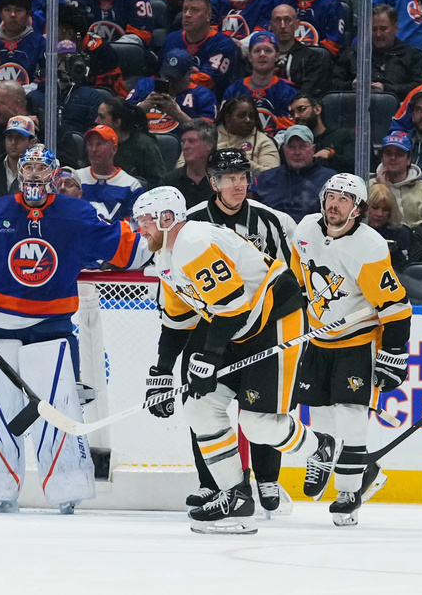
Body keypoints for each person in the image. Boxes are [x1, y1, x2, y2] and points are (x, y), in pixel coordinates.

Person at [0, 143, 138, 514]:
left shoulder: (76, 214)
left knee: (59, 409)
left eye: (40, 168)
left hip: (52, 329)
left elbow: (125, 248)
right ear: (20, 172)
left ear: (55, 174)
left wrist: (159, 238)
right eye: (27, 167)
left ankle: (67, 488)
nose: (33, 175)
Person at [134, 185, 338, 534]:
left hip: (275, 319)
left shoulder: (194, 243)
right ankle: (237, 495)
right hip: (236, 325)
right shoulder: (166, 255)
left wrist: (208, 357)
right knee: (199, 407)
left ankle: (320, 446)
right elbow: (178, 320)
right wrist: (161, 372)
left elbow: (230, 307)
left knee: (257, 424)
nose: (141, 229)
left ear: (167, 219)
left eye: (145, 222)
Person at [185, 148, 301, 517]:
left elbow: (289, 280)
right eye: (229, 178)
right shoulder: (191, 223)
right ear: (213, 182)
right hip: (211, 330)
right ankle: (213, 485)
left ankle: (268, 479)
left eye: (242, 177)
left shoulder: (273, 221)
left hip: (262, 330)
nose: (238, 185)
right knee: (201, 404)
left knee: (261, 406)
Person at [290, 173, 411, 525]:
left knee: (351, 413)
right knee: (319, 411)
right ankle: (337, 461)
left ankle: (349, 488)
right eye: (330, 196)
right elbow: (299, 277)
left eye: (344, 199)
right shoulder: (306, 230)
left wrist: (394, 352)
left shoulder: (369, 246)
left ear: (357, 208)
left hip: (358, 339)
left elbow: (395, 305)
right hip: (318, 336)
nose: (334, 203)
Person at [333, 3, 422, 99]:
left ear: (395, 27)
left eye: (383, 29)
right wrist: (351, 86)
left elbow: (421, 87)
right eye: (374, 29)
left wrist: (387, 89)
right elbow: (333, 83)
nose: (378, 34)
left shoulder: (411, 55)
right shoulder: (353, 54)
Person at [128, 49, 219, 136]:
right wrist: (141, 108)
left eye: (174, 79)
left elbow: (209, 135)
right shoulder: (145, 85)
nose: (169, 83)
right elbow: (119, 118)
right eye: (165, 76)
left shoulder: (205, 96)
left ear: (189, 74)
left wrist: (177, 113)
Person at [222, 31, 298, 136]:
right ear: (250, 56)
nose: (262, 55)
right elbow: (223, 128)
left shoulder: (289, 92)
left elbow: (287, 132)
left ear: (277, 56)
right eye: (257, 50)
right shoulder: (233, 90)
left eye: (268, 51)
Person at [253, 124, 335, 222]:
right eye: (291, 147)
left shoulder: (330, 180)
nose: (297, 152)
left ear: (313, 149)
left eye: (303, 146)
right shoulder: (267, 178)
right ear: (284, 150)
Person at [26, 41, 107, 140]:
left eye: (71, 60)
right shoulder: (35, 97)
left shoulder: (91, 96)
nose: (66, 65)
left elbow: (96, 132)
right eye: (61, 59)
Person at [162, 0, 237, 98]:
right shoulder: (171, 39)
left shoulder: (223, 44)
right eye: (185, 9)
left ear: (208, 16)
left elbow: (207, 81)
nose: (187, 14)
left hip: (204, 101)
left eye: (195, 10)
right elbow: (161, 74)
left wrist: (174, 83)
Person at [92, 97, 166, 188]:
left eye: (101, 117)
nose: (96, 121)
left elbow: (158, 183)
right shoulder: (94, 141)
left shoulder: (145, 144)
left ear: (117, 123)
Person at [266, 3, 333, 98]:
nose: (282, 25)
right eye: (277, 20)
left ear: (297, 24)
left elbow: (308, 94)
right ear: (271, 26)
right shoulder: (261, 57)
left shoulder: (312, 58)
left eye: (287, 20)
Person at [78, 124, 143, 222]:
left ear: (114, 149)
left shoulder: (131, 186)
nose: (94, 149)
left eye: (100, 144)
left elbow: (135, 227)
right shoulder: (75, 178)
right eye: (90, 144)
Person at [370, 131, 422, 229]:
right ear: (382, 158)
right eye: (388, 154)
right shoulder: (369, 187)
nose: (393, 158)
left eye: (399, 154)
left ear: (409, 160)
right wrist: (384, 189)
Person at [0, 0, 46, 85]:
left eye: (18, 10)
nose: (12, 15)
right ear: (0, 14)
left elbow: (44, 76)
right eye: (7, 10)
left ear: (28, 15)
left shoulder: (40, 43)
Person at [214, 96, 280, 176]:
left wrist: (244, 163)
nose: (248, 120)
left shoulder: (263, 141)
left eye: (251, 117)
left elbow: (273, 175)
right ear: (227, 118)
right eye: (241, 116)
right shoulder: (211, 137)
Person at [289, 94, 353, 174]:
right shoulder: (292, 142)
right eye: (292, 113)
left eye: (301, 109)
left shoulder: (344, 135)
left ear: (317, 109)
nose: (296, 116)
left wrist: (330, 154)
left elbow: (354, 165)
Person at [164, 119, 215, 207]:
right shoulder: (169, 182)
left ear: (209, 145)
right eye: (183, 142)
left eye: (192, 141)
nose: (185, 147)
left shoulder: (223, 181)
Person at [366, 182, 413, 270]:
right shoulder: (353, 232)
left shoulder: (402, 233)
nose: (380, 214)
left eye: (385, 209)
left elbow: (408, 270)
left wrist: (396, 253)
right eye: (375, 208)